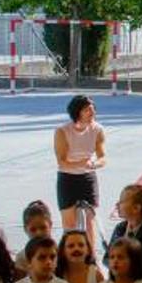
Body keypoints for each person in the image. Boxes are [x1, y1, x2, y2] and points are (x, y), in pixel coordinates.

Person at [55, 95, 107, 244]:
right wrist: (81, 163)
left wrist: (94, 164)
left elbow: (103, 157)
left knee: (91, 221)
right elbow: (61, 162)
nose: (92, 113)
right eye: (87, 110)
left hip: (88, 177)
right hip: (67, 178)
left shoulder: (98, 129)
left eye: (93, 109)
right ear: (77, 112)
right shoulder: (62, 131)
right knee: (69, 225)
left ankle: (92, 258)